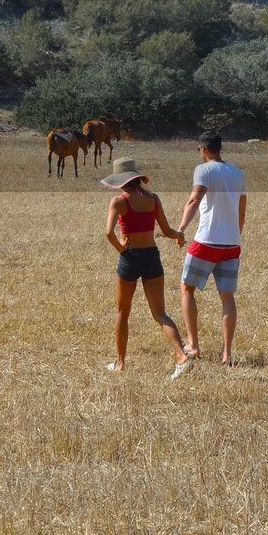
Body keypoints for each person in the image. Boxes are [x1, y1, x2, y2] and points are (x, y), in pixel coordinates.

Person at [101, 157, 194, 379]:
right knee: (160, 313)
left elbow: (108, 232)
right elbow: (166, 230)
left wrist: (121, 250)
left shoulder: (119, 201)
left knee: (123, 312)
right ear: (136, 178)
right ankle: (181, 356)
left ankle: (120, 363)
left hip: (130, 257)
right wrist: (179, 236)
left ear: (121, 181)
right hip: (152, 256)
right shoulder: (153, 199)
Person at [177, 131, 247, 366]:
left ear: (203, 149)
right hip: (231, 243)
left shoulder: (203, 169)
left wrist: (181, 228)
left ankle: (193, 345)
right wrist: (235, 236)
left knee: (187, 288)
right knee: (227, 296)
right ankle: (227, 354)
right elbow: (241, 210)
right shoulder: (238, 173)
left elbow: (194, 200)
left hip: (206, 241)